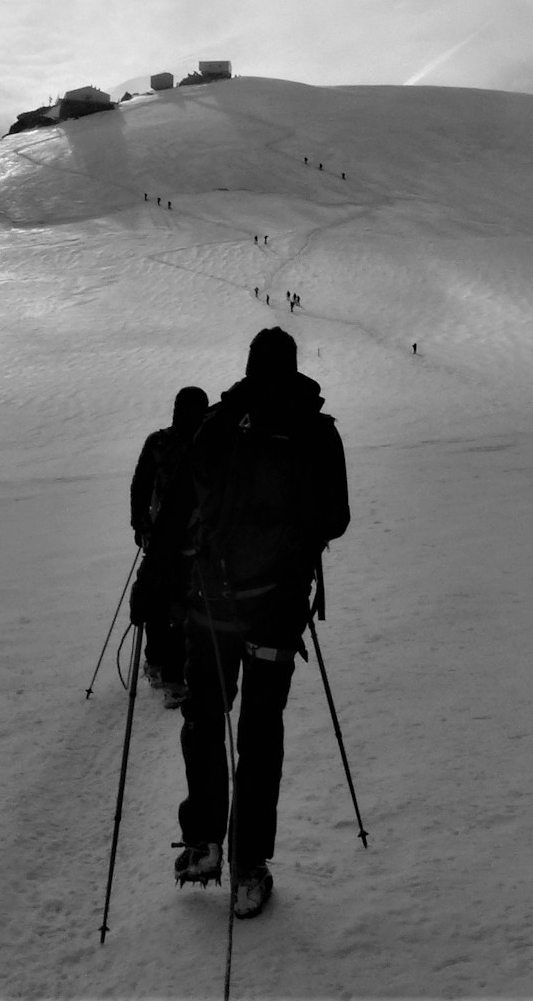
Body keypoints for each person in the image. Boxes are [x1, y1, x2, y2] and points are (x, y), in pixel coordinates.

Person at [172, 328, 349, 919]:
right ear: (294, 367)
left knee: (204, 715)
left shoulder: (218, 423)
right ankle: (249, 865)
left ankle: (204, 842)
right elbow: (336, 517)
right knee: (260, 732)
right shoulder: (316, 430)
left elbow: (179, 507)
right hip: (274, 606)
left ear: (247, 365)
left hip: (210, 604)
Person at [129, 387, 210, 706]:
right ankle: (174, 676)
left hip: (161, 537)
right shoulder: (203, 444)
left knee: (157, 595)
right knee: (181, 601)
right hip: (191, 540)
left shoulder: (159, 442)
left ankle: (158, 664)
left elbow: (140, 486)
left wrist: (141, 525)